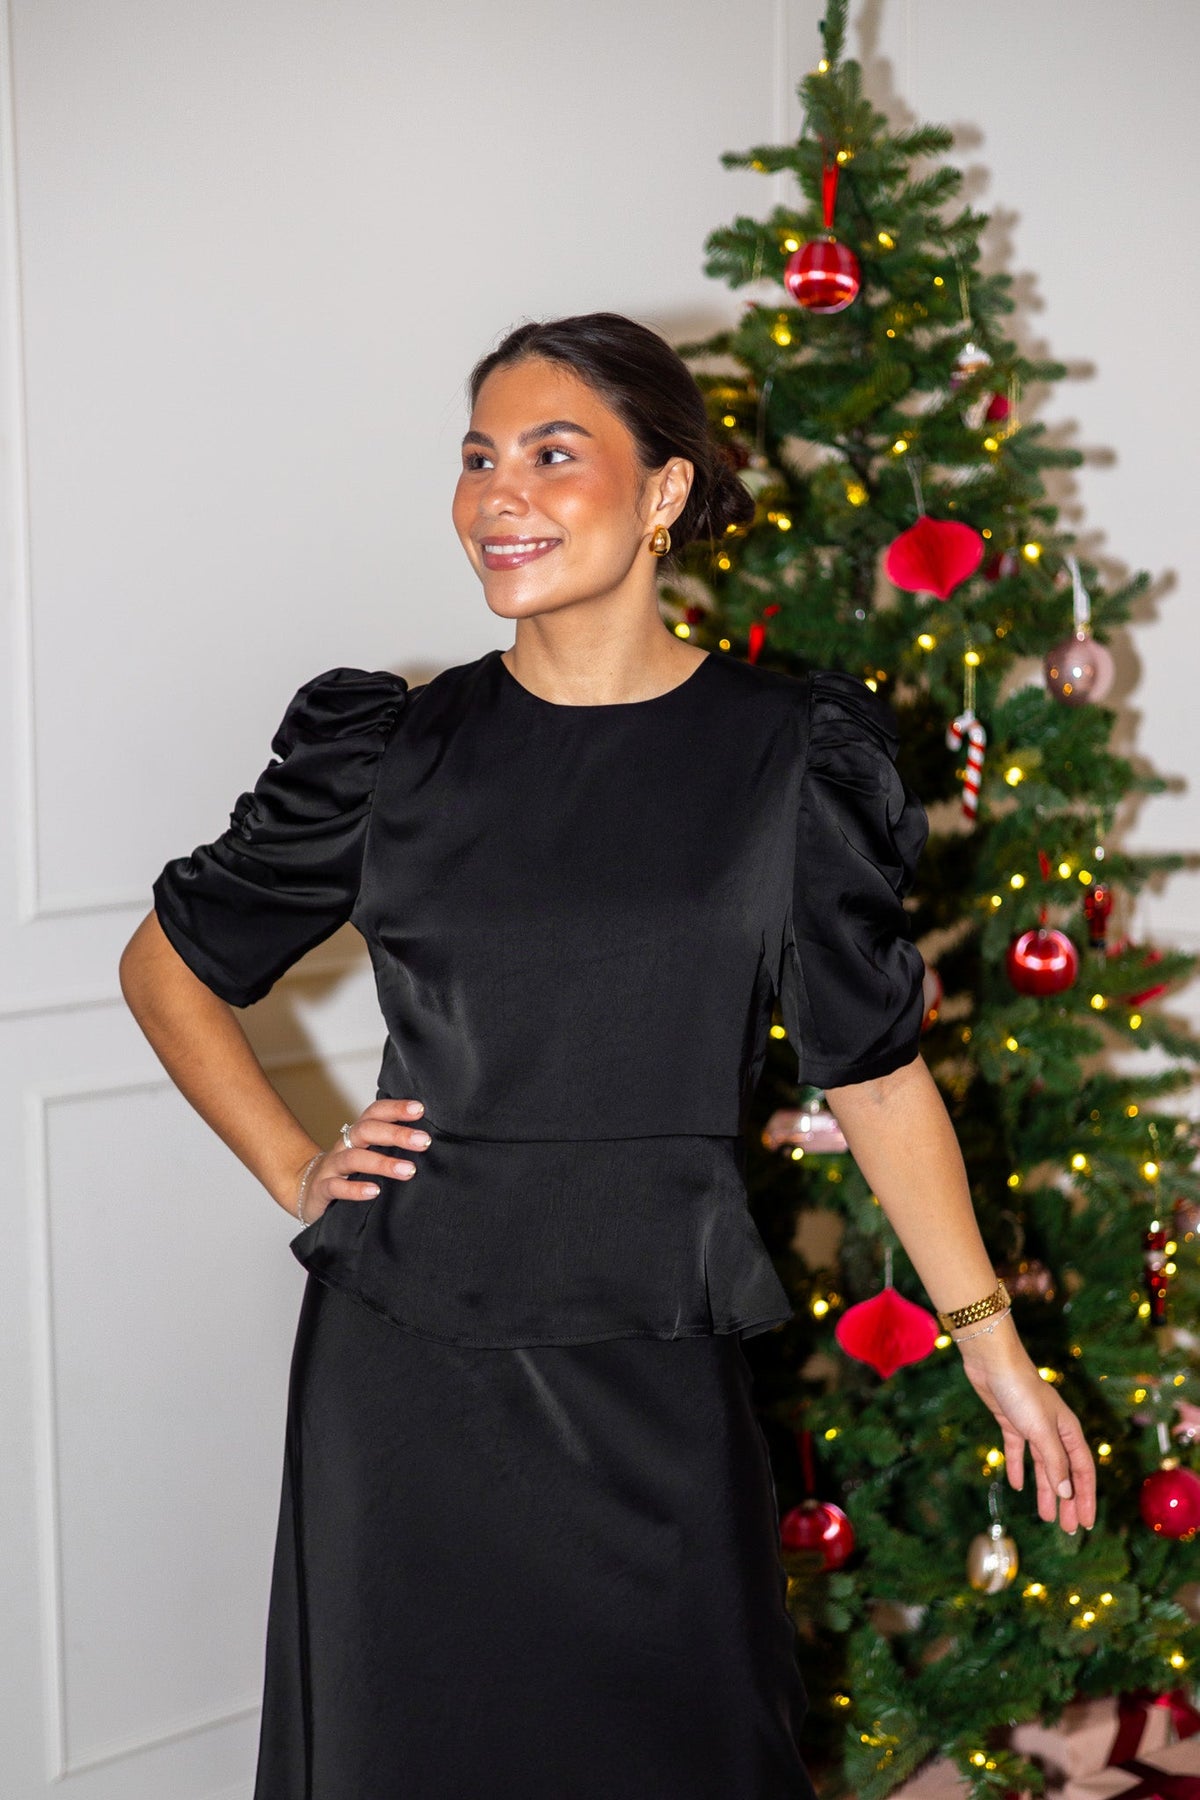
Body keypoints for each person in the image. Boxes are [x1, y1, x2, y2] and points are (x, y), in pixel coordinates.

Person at [119, 311, 1096, 1800]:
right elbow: (168, 966)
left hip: (654, 1354)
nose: (497, 496)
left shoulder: (786, 754)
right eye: (477, 459)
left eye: (551, 454)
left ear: (663, 492)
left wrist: (993, 1347)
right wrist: (294, 1166)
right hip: (408, 1374)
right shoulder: (391, 751)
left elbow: (875, 1075)